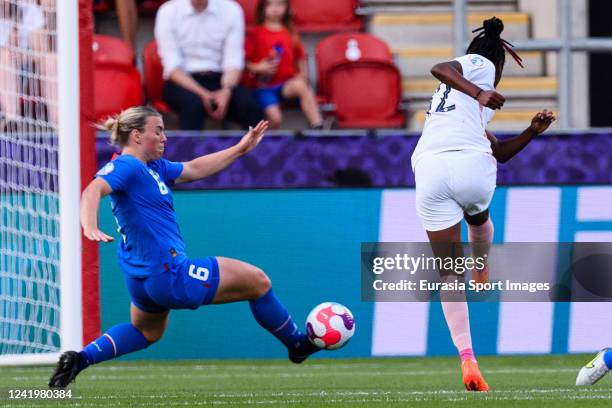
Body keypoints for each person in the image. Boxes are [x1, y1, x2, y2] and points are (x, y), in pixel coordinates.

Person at [48, 106, 320, 388]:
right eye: (159, 131)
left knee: (146, 332)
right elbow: (94, 189)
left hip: (143, 279)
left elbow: (194, 168)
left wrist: (240, 149)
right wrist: (89, 225)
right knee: (258, 282)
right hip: (169, 272)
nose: (165, 137)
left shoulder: (153, 167)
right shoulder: (127, 165)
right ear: (138, 136)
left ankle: (80, 359)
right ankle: (297, 344)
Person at [410, 17, 556, 391]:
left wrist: (530, 132)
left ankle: (467, 358)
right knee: (477, 215)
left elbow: (501, 152)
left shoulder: (448, 105)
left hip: (429, 169)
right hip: (468, 166)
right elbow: (439, 67)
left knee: (446, 273)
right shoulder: (482, 64)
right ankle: (481, 265)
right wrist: (480, 90)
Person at [155, 0, 263, 130]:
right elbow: (172, 66)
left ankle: (251, 150)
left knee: (250, 105)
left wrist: (226, 91)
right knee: (192, 104)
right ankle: (191, 151)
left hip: (221, 79)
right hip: (182, 81)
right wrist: (203, 94)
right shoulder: (168, 11)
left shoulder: (231, 10)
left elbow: (233, 59)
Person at [245, 0, 322, 129]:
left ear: (287, 8)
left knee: (301, 86)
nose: (275, 9)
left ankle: (318, 126)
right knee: (275, 119)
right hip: (263, 87)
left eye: (280, 4)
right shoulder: (256, 33)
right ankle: (264, 144)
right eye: (270, 4)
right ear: (262, 8)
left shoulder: (290, 32)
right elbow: (243, 62)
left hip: (285, 85)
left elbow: (300, 58)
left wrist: (303, 76)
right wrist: (258, 67)